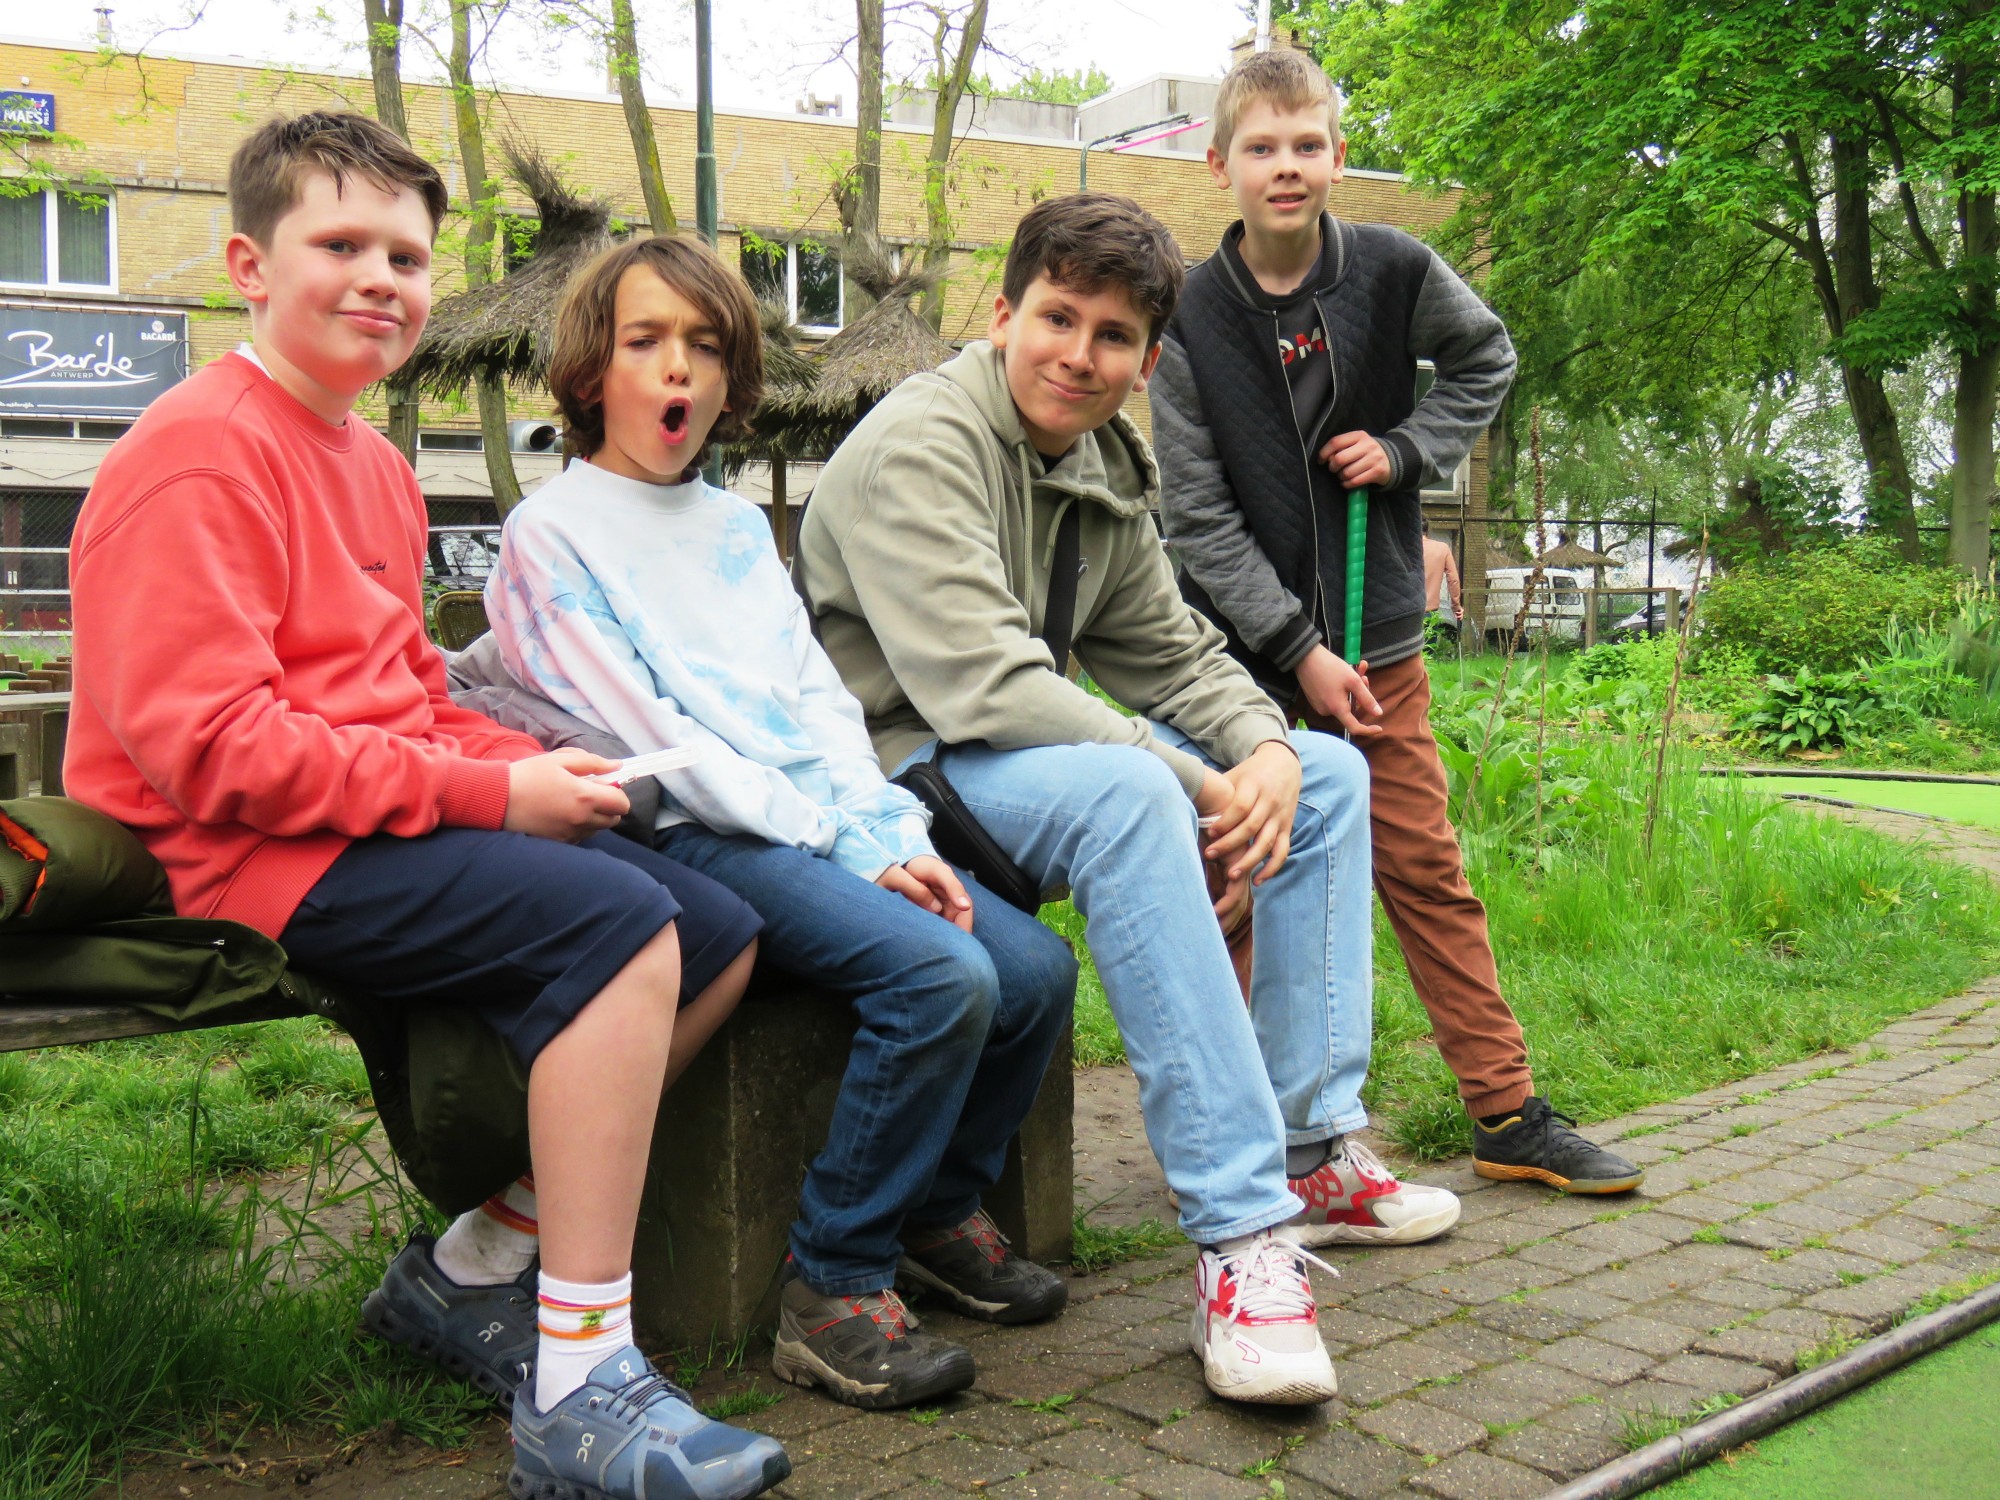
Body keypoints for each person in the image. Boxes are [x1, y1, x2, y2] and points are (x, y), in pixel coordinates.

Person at [63, 112, 789, 1500]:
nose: (381, 278)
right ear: (246, 264)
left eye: (405, 253)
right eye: (339, 244)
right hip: (230, 856)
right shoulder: (199, 453)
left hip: (347, 818)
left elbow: (400, 690)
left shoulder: (376, 465)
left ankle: (474, 1264)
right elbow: (210, 751)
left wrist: (543, 774)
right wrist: (482, 792)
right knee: (625, 933)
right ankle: (581, 1391)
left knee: (718, 924)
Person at [795, 191, 1463, 1408]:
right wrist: (1199, 779)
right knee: (1129, 791)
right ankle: (1239, 1236)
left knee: (1323, 774)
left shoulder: (1102, 457)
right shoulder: (920, 445)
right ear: (1001, 314)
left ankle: (1310, 1146)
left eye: (1112, 336)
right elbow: (984, 686)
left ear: (1145, 361)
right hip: (891, 781)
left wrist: (1259, 744)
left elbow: (1168, 646)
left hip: (1014, 764)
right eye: (1057, 317)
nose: (1078, 354)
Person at [482, 233, 1077, 1412]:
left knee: (1035, 968)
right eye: (645, 343)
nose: (678, 373)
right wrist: (845, 850)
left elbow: (814, 700)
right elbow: (660, 740)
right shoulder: (547, 538)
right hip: (691, 834)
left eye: (704, 347)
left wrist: (889, 834)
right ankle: (832, 1285)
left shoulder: (737, 528)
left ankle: (936, 1210)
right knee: (940, 982)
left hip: (818, 819)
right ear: (593, 367)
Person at [1148, 49, 1642, 1194]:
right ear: (1220, 163)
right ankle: (1240, 1135)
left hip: (1379, 652)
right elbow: (1200, 519)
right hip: (1241, 669)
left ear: (1334, 156)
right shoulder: (1186, 317)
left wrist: (1410, 448)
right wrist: (1295, 652)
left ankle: (1505, 1112)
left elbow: (1486, 357)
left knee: (1422, 867)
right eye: (1261, 148)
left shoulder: (1390, 269)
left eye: (1307, 145)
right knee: (1237, 881)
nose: (1286, 168)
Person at [1422, 520, 1463, 633]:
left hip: (1407, 612)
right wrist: (1456, 606)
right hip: (1430, 611)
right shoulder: (1442, 548)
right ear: (1427, 530)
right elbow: (1453, 579)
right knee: (1428, 648)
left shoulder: (1403, 548)